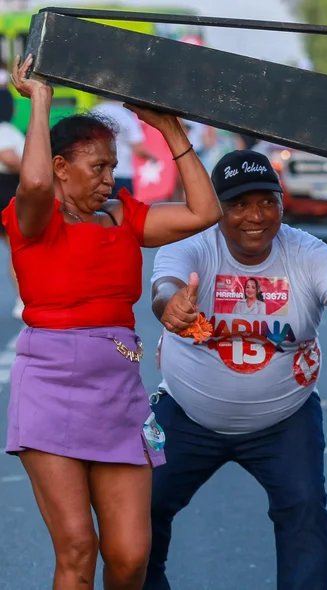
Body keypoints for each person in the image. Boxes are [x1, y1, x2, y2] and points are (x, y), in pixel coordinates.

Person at [145, 149, 327, 590]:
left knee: (305, 511)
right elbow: (166, 285)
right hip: (184, 416)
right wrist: (170, 305)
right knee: (140, 511)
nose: (256, 216)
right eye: (238, 204)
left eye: (267, 201)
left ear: (281, 203)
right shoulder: (192, 244)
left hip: (284, 422)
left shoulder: (305, 252)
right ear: (215, 209)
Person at [3, 55, 223, 590]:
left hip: (118, 391)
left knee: (129, 558)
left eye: (112, 164)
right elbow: (30, 184)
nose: (110, 176)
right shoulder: (33, 221)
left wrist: (170, 130)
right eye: (98, 166)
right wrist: (41, 102)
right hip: (49, 388)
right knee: (78, 551)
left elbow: (204, 212)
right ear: (61, 168)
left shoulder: (126, 217)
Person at [90, 99, 163, 196]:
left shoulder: (93, 112)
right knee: (123, 209)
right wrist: (153, 157)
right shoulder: (126, 115)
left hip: (97, 174)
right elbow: (138, 148)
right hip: (123, 174)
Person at [0, 91, 26, 318]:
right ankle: (22, 299)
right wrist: (30, 168)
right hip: (7, 192)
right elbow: (8, 157)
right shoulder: (6, 131)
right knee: (17, 250)